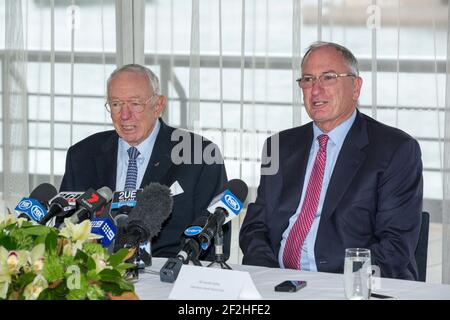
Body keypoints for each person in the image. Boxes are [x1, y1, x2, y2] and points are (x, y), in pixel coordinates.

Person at [239, 41, 423, 280]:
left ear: (356, 87)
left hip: (351, 286)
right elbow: (255, 227)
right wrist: (269, 276)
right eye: (307, 80)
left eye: (328, 77)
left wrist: (333, 285)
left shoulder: (395, 150)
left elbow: (395, 245)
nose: (316, 90)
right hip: (279, 283)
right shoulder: (279, 146)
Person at [60, 64, 229, 260]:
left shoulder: (200, 156)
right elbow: (65, 229)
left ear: (158, 105)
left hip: (169, 279)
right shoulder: (82, 155)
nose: (124, 115)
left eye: (135, 104)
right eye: (116, 104)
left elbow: (214, 239)